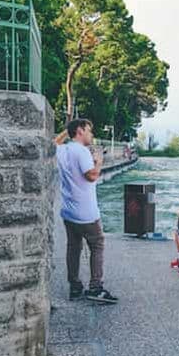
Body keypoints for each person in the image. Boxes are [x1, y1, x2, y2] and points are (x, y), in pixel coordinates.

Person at [54, 119, 118, 304]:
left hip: (68, 211)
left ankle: (75, 287)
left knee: (73, 248)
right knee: (97, 245)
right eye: (89, 130)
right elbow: (91, 176)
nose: (92, 134)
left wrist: (66, 131)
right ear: (80, 131)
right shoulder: (81, 151)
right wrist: (98, 162)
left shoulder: (63, 149)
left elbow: (53, 143)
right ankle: (96, 288)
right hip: (86, 212)